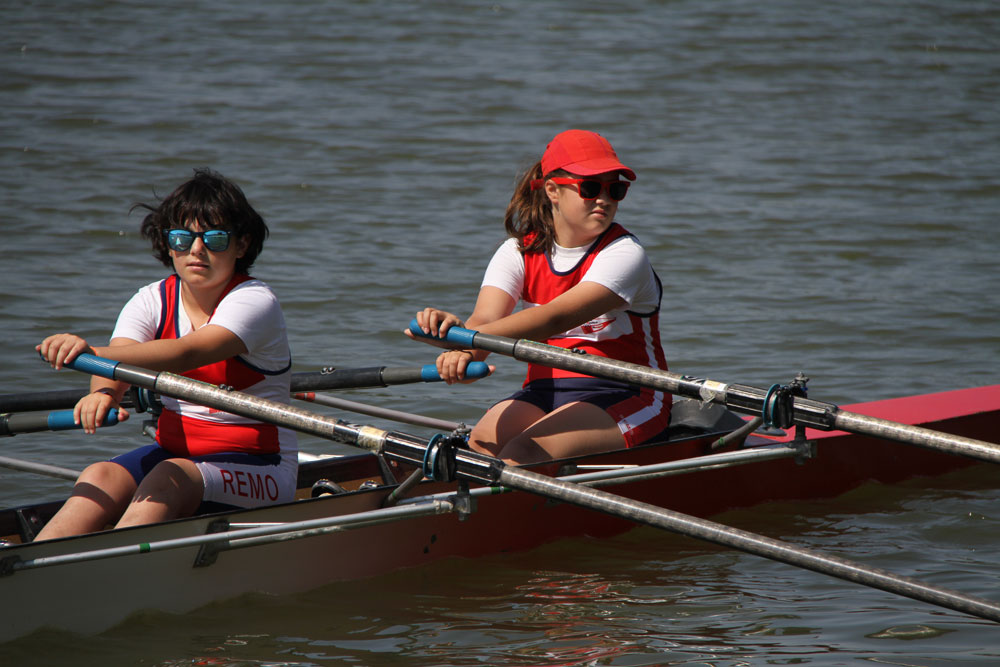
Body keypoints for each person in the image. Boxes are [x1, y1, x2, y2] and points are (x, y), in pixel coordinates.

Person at [34, 169, 297, 539]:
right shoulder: (152, 299)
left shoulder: (255, 301)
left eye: (215, 238)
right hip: (176, 456)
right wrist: (103, 393)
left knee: (167, 477)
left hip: (262, 466)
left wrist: (89, 352)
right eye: (182, 238)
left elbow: (188, 352)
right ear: (167, 243)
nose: (196, 250)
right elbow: (121, 358)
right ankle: (32, 564)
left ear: (241, 245)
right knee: (99, 474)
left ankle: (111, 570)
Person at [406, 129, 671, 465]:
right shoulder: (517, 252)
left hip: (628, 394)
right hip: (544, 391)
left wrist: (463, 339)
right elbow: (486, 321)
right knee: (479, 449)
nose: (604, 199)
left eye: (616, 189)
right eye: (590, 188)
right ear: (552, 190)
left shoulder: (624, 254)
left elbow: (555, 318)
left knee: (524, 452)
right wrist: (460, 348)